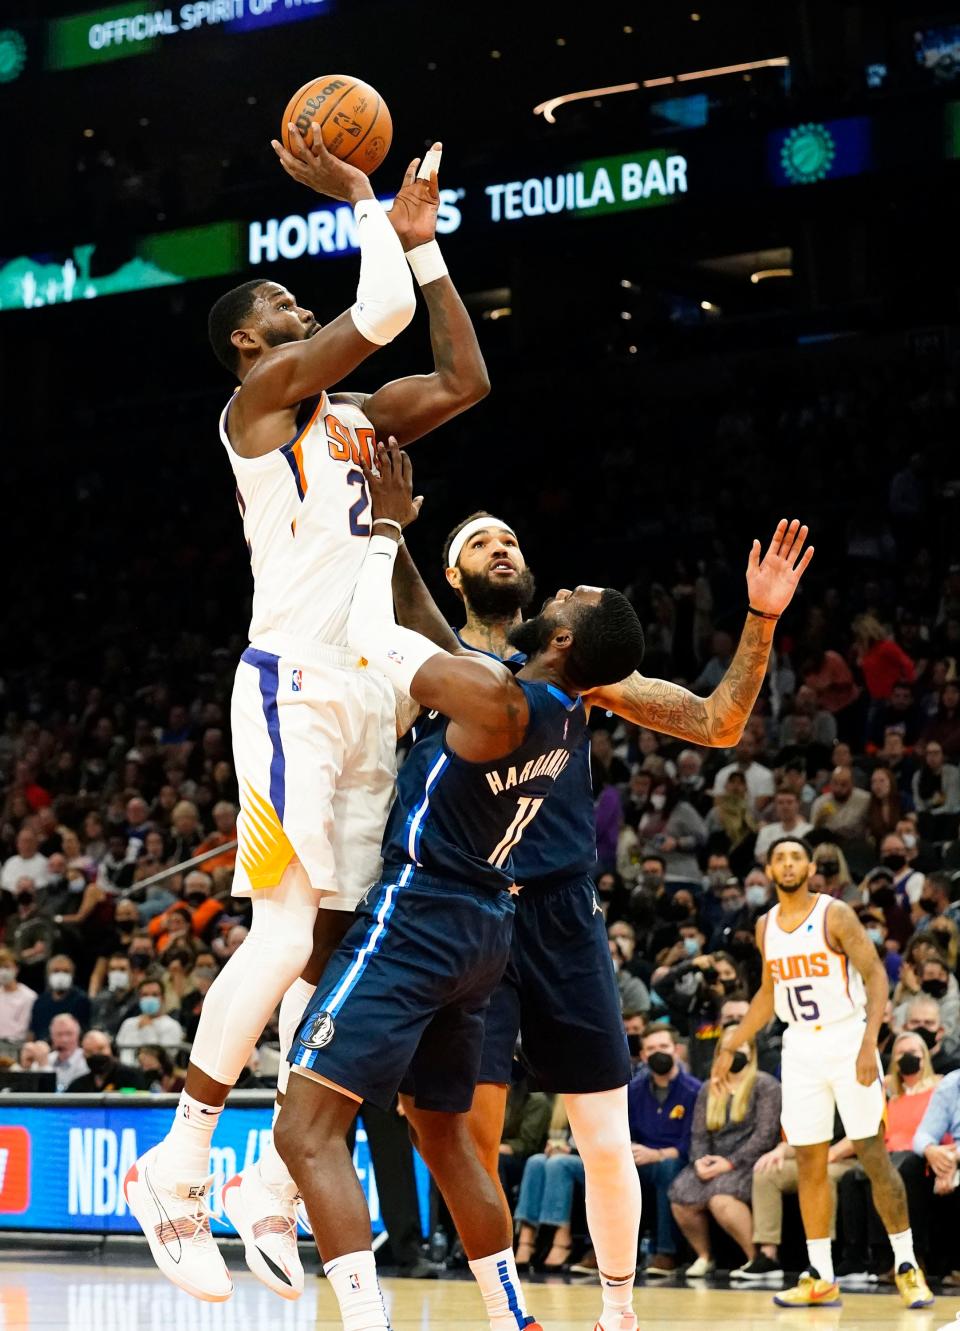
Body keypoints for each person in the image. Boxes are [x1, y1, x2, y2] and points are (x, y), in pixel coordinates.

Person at [125, 132, 492, 1303]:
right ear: (249, 340)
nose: (300, 308)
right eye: (285, 301)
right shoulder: (262, 404)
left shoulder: (355, 416)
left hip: (369, 693)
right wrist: (364, 203)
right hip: (289, 684)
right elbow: (376, 306)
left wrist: (430, 260)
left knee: (330, 946)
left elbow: (464, 380)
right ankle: (176, 1162)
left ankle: (269, 1185)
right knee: (285, 933)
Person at [382, 496, 810, 1331]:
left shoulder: (581, 670)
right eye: (480, 541)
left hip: (560, 915)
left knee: (604, 1134)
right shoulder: (433, 657)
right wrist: (386, 529)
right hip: (465, 910)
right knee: (473, 1136)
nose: (502, 546)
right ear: (452, 573)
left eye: (511, 536)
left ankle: (618, 1312)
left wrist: (760, 617)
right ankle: (507, 1313)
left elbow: (719, 722)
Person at [715, 837, 934, 1309]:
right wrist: (732, 1041)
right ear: (770, 870)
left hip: (846, 1036)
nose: (789, 864)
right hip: (800, 1047)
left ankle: (907, 1264)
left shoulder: (835, 914)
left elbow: (877, 976)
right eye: (780, 858)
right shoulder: (765, 925)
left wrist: (868, 1043)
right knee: (809, 1162)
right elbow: (769, 994)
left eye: (797, 857)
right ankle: (820, 1275)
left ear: (811, 867)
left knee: (874, 1157)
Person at [669, 1038, 781, 1276]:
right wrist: (700, 1160)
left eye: (740, 1049)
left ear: (751, 1053)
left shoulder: (766, 1085)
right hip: (713, 1159)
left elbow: (765, 1135)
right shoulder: (709, 1087)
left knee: (720, 1198)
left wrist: (730, 1162)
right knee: (680, 1193)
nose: (735, 1055)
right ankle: (704, 1256)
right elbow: (698, 1133)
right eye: (729, 1050)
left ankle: (757, 1259)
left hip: (749, 1160)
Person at [835, 1030, 940, 1280]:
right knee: (853, 1178)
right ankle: (859, 1259)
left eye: (913, 1053)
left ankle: (909, 1257)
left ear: (924, 1058)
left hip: (919, 1154)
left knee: (900, 1172)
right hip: (890, 1152)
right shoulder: (890, 1094)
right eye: (901, 1053)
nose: (907, 1058)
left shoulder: (937, 1087)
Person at [733, 1124, 856, 1281]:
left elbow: (861, 1136)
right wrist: (781, 1150)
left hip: (847, 1159)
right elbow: (799, 1140)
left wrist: (830, 1154)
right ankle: (768, 1255)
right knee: (766, 1173)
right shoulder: (811, 1102)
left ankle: (824, 1257)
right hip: (813, 1159)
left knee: (822, 1176)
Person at [628, 1025, 701, 1276]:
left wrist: (658, 1154)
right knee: (614, 1173)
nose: (658, 1053)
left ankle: (666, 1252)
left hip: (679, 1162)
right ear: (643, 1055)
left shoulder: (694, 1090)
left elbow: (691, 1143)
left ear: (676, 1050)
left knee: (667, 1169)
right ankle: (613, 1255)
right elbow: (627, 1133)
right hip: (642, 1160)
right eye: (651, 1049)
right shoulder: (632, 1090)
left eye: (663, 1047)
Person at [902, 1069, 960, 1278]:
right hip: (950, 1156)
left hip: (955, 1155)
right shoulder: (951, 1084)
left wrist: (954, 1158)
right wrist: (931, 1151)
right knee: (912, 1166)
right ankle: (913, 1261)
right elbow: (923, 1134)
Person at [513, 1101, 584, 1272]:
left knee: (557, 1164)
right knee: (535, 1161)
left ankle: (562, 1238)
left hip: (594, 1162)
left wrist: (571, 1151)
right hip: (567, 1156)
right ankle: (526, 1238)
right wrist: (553, 1147)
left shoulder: (600, 1093)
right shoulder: (561, 1100)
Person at [115, 978, 185, 1064]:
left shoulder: (172, 1026)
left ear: (163, 998)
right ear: (139, 999)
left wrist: (147, 1029)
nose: (149, 998)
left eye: (154, 995)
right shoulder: (128, 1023)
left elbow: (165, 1059)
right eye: (145, 995)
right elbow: (118, 1051)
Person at [30, 955, 90, 1041]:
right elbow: (32, 1033)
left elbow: (83, 1033)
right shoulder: (40, 1002)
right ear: (48, 975)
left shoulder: (81, 1000)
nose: (61, 975)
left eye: (66, 971)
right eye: (56, 971)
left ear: (72, 975)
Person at [70, 1029, 149, 1092]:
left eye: (100, 1049)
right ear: (84, 1055)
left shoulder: (133, 1076)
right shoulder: (78, 1086)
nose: (96, 1055)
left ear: (111, 1049)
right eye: (90, 1052)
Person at [810, 766, 872, 842]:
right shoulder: (820, 802)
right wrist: (819, 821)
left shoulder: (866, 800)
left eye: (843, 784)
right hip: (830, 844)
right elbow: (813, 830)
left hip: (856, 843)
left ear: (852, 783)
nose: (838, 788)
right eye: (835, 783)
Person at [754, 789, 813, 864]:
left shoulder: (809, 831)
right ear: (775, 806)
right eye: (780, 803)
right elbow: (761, 858)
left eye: (789, 802)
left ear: (798, 804)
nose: (785, 807)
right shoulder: (766, 831)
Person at [911, 739, 960, 814]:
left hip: (950, 814)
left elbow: (951, 804)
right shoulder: (918, 776)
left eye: (936, 753)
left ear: (943, 755)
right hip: (927, 816)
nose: (932, 757)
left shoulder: (952, 772)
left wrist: (932, 813)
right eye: (929, 753)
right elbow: (918, 804)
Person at [0, 947, 36, 1044]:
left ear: (16, 969)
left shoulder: (29, 996)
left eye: (6, 967)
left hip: (16, 1046)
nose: (2, 972)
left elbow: (24, 1030)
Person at [46, 1012, 89, 1090]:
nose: (64, 1040)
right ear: (52, 1037)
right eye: (59, 1034)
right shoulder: (46, 1060)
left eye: (69, 1034)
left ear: (78, 1035)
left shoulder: (86, 1060)